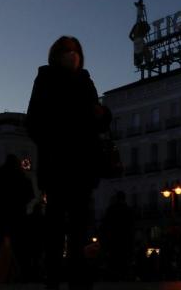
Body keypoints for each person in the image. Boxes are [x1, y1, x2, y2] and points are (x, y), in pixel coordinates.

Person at [26, 36, 110, 290]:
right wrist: (52, 139)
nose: (72, 55)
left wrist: (103, 114)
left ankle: (78, 278)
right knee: (55, 224)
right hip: (56, 163)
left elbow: (100, 120)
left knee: (79, 225)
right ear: (56, 55)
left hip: (83, 164)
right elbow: (33, 121)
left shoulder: (86, 81)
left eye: (76, 51)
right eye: (67, 51)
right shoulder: (46, 79)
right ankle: (52, 277)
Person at [98, 191, 133, 281]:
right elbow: (131, 227)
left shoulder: (111, 209)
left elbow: (105, 225)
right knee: (123, 261)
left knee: (113, 261)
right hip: (124, 241)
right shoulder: (128, 210)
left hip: (113, 240)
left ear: (117, 198)